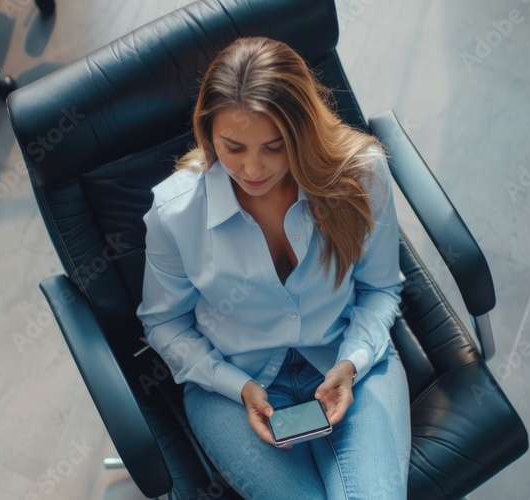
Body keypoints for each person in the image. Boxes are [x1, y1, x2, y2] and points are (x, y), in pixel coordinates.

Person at [136, 36, 411, 499]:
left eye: (274, 145)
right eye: (233, 147)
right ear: (208, 133)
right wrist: (236, 385)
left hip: (346, 358)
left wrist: (352, 362)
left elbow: (381, 289)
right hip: (231, 383)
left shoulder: (360, 174)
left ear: (303, 131)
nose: (253, 168)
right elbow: (165, 323)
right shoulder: (176, 213)